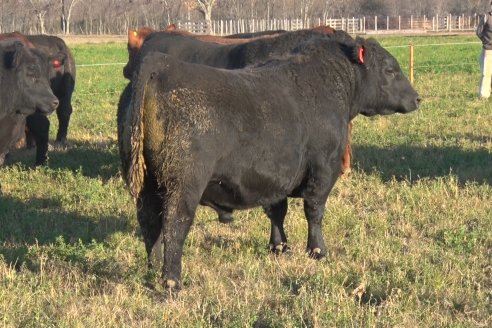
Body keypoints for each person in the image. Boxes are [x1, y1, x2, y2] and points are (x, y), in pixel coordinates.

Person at [477, 1, 492, 99]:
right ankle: (484, 96)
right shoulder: (486, 17)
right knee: (486, 73)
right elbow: (479, 31)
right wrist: (486, 41)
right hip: (488, 50)